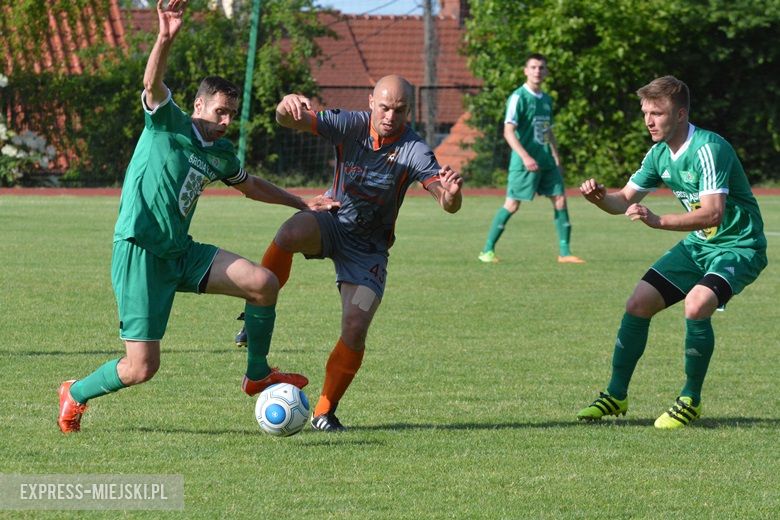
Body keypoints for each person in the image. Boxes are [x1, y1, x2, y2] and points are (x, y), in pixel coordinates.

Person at [57, 0, 336, 434]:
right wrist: (165, 37)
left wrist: (302, 203)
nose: (225, 121)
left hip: (181, 252)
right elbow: (152, 83)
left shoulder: (221, 153)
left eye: (231, 114)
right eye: (219, 111)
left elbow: (251, 186)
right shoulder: (166, 122)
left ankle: (257, 374)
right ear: (199, 105)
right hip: (140, 253)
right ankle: (74, 393)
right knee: (141, 367)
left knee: (263, 284)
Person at [234, 74, 463, 431]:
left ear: (410, 112)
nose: (390, 116)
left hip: (368, 250)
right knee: (290, 231)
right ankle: (255, 313)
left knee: (355, 328)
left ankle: (324, 410)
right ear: (371, 101)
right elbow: (287, 119)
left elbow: (447, 203)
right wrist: (285, 105)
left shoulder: (414, 149)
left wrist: (451, 194)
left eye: (400, 110)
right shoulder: (349, 124)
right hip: (333, 220)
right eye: (384, 107)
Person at [577, 76, 767, 429]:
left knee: (697, 304)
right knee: (638, 303)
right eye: (646, 112)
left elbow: (713, 213)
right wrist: (600, 197)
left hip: (738, 246)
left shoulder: (709, 149)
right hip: (699, 245)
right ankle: (616, 394)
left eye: (657, 113)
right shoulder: (659, 153)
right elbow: (622, 202)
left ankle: (690, 399)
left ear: (680, 114)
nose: (649, 121)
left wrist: (658, 220)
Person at [478, 53, 584, 264]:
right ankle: (487, 250)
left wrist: (555, 154)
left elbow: (548, 130)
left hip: (546, 161)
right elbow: (508, 132)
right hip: (524, 162)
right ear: (525, 71)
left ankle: (564, 253)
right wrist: (525, 156)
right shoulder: (518, 97)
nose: (537, 71)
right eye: (533, 67)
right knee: (512, 205)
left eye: (541, 67)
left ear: (546, 72)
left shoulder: (546, 99)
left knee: (560, 199)